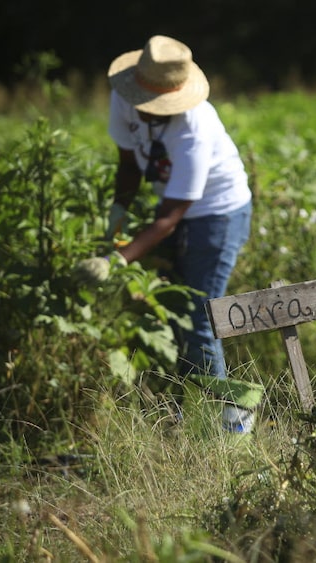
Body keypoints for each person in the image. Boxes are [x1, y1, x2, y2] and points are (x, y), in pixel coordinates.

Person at [77, 35, 255, 432]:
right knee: (172, 312)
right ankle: (190, 411)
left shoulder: (194, 128)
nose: (149, 112)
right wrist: (116, 219)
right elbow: (128, 164)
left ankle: (234, 420)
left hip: (217, 214)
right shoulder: (124, 97)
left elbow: (170, 218)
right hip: (171, 209)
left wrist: (118, 258)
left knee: (198, 317)